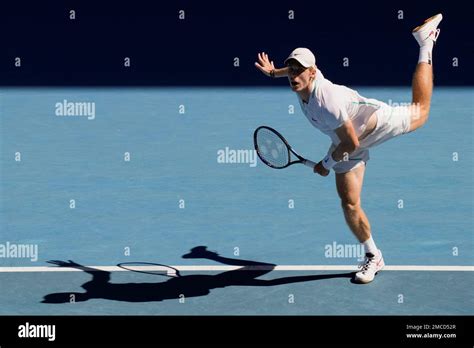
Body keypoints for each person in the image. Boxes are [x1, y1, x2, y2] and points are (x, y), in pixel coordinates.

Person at [254, 14, 442, 283]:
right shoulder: (301, 81)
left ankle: (425, 43)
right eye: (291, 70)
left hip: (373, 124)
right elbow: (347, 142)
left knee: (420, 112)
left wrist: (326, 164)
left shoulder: (325, 101)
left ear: (313, 72)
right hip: (345, 139)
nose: (294, 75)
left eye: (299, 70)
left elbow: (351, 144)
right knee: (350, 203)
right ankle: (373, 256)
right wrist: (274, 72)